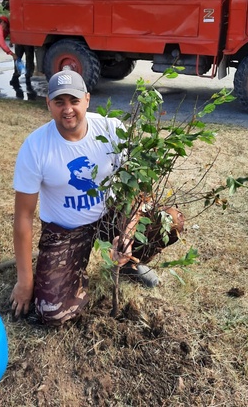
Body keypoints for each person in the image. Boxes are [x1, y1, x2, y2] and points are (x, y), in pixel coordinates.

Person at [10, 70, 185, 326]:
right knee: (52, 312)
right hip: (65, 229)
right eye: (59, 102)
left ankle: (128, 263)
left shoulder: (111, 130)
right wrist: (25, 281)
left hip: (111, 215)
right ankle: (73, 273)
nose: (67, 109)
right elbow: (23, 217)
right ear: (48, 104)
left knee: (171, 220)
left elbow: (136, 189)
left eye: (74, 101)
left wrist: (127, 234)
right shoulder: (35, 147)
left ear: (87, 99)